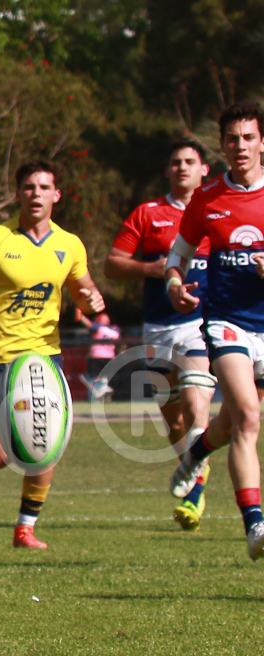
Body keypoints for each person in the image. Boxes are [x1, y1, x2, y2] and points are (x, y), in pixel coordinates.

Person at [0, 159, 106, 550]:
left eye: (43, 187)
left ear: (57, 195)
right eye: (28, 187)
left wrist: (91, 301)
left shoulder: (69, 245)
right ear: (18, 193)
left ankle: (25, 528)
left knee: (47, 442)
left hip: (43, 355)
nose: (35, 194)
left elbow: (87, 299)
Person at [167, 102, 264, 559]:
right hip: (229, 323)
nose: (239, 146)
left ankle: (194, 454)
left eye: (248, 137)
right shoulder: (207, 198)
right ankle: (255, 526)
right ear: (221, 144)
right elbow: (178, 255)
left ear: (262, 141)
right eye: (232, 138)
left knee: (227, 424)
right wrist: (173, 284)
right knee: (246, 417)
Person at [105, 140, 215, 531]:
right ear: (168, 170)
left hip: (202, 324)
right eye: (175, 162)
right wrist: (155, 270)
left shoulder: (218, 209)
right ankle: (192, 470)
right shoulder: (148, 214)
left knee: (193, 399)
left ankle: (196, 491)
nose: (182, 167)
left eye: (190, 161)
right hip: (158, 328)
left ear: (204, 168)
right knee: (174, 422)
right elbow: (113, 266)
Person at [78, 311, 120, 400]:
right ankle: (104, 396)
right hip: (109, 356)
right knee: (104, 379)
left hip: (96, 356)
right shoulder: (115, 329)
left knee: (93, 380)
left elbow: (89, 324)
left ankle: (95, 397)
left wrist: (80, 315)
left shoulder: (99, 327)